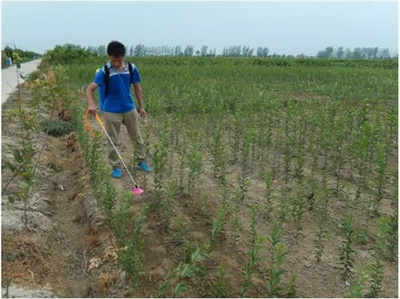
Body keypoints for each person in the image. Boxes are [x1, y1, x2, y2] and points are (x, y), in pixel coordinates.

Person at [86, 41, 151, 178]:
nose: (116, 63)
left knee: (137, 137)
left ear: (123, 57)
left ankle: (141, 161)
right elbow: (90, 89)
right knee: (112, 140)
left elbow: (137, 87)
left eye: (119, 60)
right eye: (113, 60)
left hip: (129, 108)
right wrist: (91, 104)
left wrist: (141, 107)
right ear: (109, 56)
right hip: (111, 111)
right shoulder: (105, 71)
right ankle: (116, 167)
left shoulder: (132, 68)